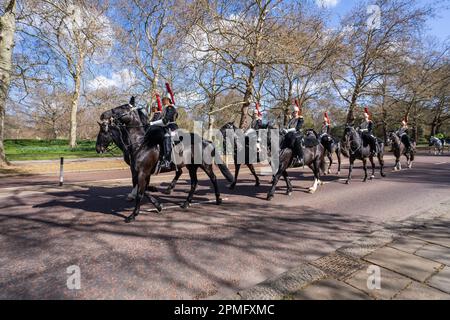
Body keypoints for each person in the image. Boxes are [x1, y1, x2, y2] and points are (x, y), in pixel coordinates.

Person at [150, 93, 178, 170]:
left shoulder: (170, 108)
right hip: (166, 127)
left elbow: (165, 121)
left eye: (164, 100)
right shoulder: (165, 108)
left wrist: (152, 123)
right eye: (162, 100)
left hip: (171, 128)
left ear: (168, 100)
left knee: (166, 137)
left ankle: (168, 161)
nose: (162, 101)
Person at [284, 100, 304, 164]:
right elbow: (288, 126)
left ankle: (300, 157)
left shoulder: (300, 118)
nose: (294, 113)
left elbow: (297, 128)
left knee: (296, 140)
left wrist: (288, 130)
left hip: (297, 133)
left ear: (298, 112)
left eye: (296, 112)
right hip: (290, 133)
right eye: (294, 112)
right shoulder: (291, 119)